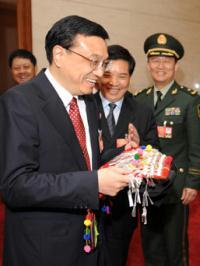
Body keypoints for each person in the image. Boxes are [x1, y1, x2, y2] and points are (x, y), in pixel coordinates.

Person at [0, 15, 131, 266]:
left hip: (89, 238)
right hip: (44, 248)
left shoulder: (89, 101)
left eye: (104, 63)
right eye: (94, 61)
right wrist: (93, 184)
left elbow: (83, 161)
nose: (101, 72)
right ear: (59, 54)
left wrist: (124, 157)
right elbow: (15, 185)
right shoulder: (20, 101)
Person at [134, 33, 200, 266]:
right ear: (148, 64)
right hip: (147, 186)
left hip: (176, 186)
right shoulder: (139, 100)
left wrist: (193, 182)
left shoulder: (189, 100)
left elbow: (197, 145)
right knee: (150, 245)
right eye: (155, 60)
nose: (161, 66)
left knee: (175, 248)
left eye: (167, 61)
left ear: (176, 66)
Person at [94, 44, 158, 266]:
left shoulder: (142, 111)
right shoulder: (84, 105)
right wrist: (122, 150)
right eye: (108, 74)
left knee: (116, 258)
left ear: (130, 77)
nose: (114, 82)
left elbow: (153, 156)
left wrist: (140, 150)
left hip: (123, 206)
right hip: (88, 202)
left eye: (122, 76)